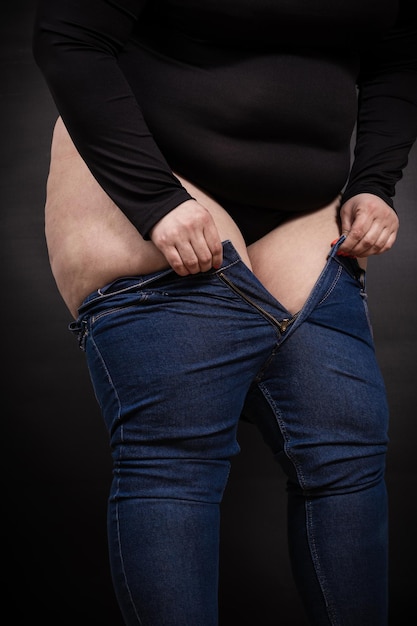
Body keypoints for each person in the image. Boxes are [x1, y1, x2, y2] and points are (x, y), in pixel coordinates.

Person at [32, 1, 417, 624]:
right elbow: (67, 34)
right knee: (175, 461)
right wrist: (155, 200)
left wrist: (375, 180)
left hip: (307, 205)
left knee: (346, 449)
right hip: (155, 178)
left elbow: (398, 51)